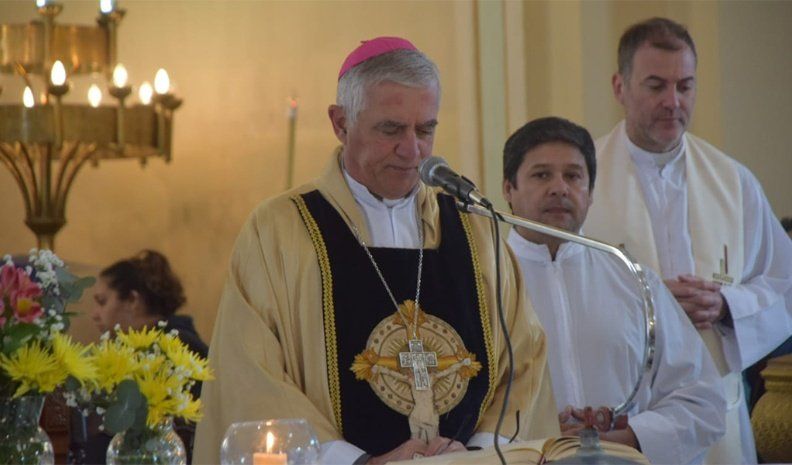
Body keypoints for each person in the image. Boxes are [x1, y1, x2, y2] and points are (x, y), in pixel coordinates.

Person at [194, 37, 558, 465]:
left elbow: (524, 363)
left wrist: (473, 455)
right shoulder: (279, 231)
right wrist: (359, 462)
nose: (412, 150)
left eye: (425, 130)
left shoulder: (476, 230)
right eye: (391, 129)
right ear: (340, 123)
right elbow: (250, 375)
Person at [584, 18, 792, 464]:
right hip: (622, 412)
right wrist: (646, 305)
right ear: (620, 87)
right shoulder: (583, 179)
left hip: (716, 414)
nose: (672, 102)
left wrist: (726, 306)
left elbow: (783, 284)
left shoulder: (733, 181)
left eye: (685, 86)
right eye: (656, 85)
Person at [502, 116, 726, 465]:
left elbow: (702, 400)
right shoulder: (483, 283)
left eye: (573, 176)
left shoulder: (634, 280)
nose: (559, 188)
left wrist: (630, 437)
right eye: (542, 175)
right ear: (508, 190)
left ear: (590, 193)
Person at [87, 250, 209, 464]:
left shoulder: (178, 347)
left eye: (102, 302)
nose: (95, 314)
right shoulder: (130, 350)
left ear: (132, 300)